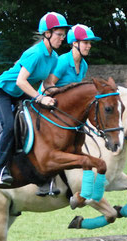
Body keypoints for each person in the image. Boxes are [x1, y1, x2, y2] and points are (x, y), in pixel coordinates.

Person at [0, 12, 71, 184]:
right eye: (59, 34)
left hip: (19, 92)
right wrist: (40, 98)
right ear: (47, 34)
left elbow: (48, 84)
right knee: (10, 126)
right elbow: (20, 81)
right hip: (1, 92)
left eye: (64, 35)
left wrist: (63, 94)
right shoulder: (35, 53)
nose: (62, 38)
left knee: (40, 119)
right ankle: (0, 168)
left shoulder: (54, 57)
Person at [36, 24, 101, 196]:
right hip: (48, 106)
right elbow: (47, 85)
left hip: (67, 112)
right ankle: (45, 180)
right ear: (74, 44)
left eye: (89, 43)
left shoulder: (84, 65)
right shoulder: (63, 61)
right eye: (85, 42)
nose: (88, 46)